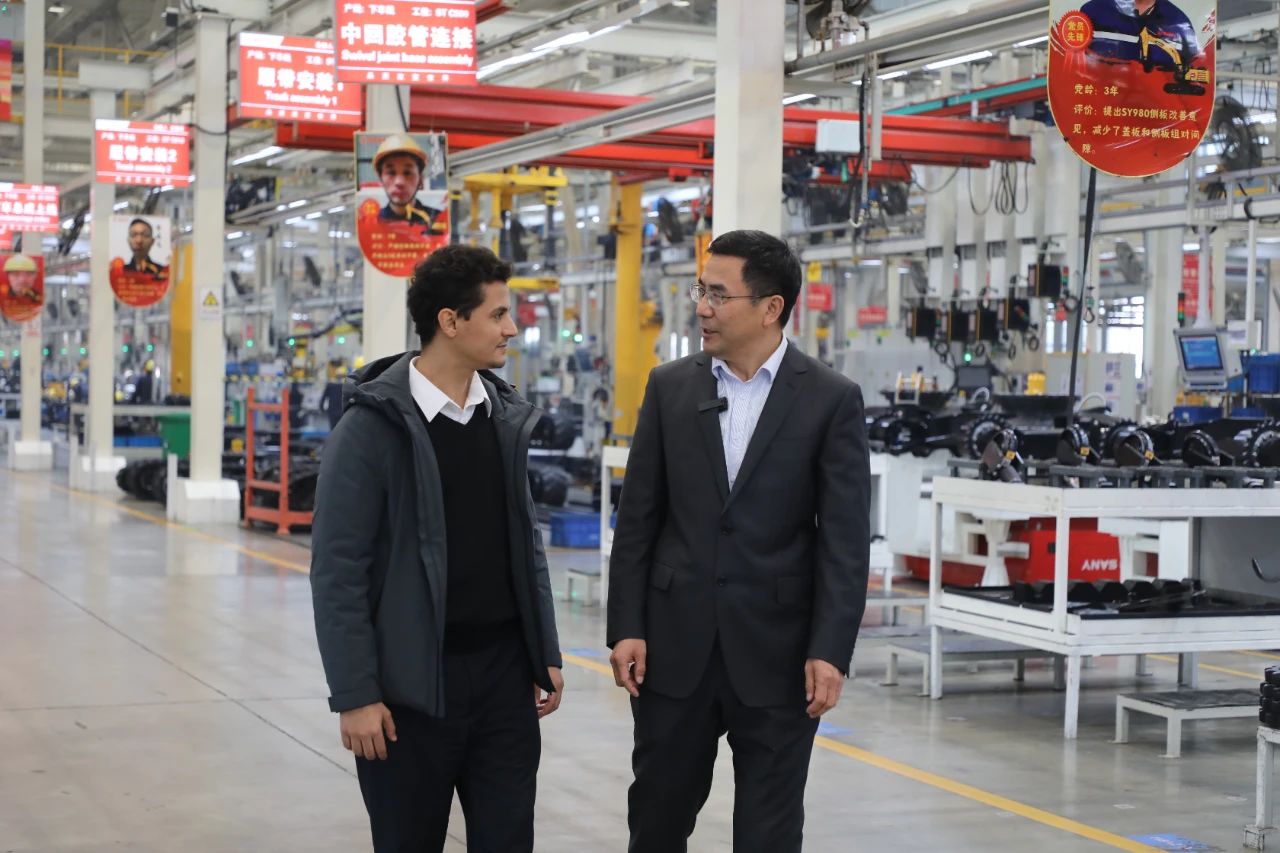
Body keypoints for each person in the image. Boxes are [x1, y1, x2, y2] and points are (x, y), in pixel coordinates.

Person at [607, 229, 870, 853]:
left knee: (768, 832)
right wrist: (626, 626)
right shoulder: (670, 387)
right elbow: (638, 518)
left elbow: (844, 540)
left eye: (718, 295)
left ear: (771, 307)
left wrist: (830, 650)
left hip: (780, 658)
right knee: (658, 819)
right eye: (701, 291)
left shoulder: (831, 399)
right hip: (675, 649)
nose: (702, 307)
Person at [310, 244, 563, 853]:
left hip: (503, 681)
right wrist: (356, 694)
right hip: (411, 688)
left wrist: (543, 650)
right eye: (498, 314)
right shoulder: (370, 430)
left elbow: (524, 543)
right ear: (450, 321)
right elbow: (338, 572)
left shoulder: (503, 419)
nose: (511, 329)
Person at [1080, 0, 1201, 67]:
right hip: (1101, 99)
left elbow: (1189, 74)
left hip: (1153, 104)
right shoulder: (1091, 13)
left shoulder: (1180, 24)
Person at [373, 134, 447, 234]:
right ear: (380, 178)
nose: (399, 182)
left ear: (420, 179)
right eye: (391, 172)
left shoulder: (437, 220)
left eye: (407, 173)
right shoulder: (373, 223)